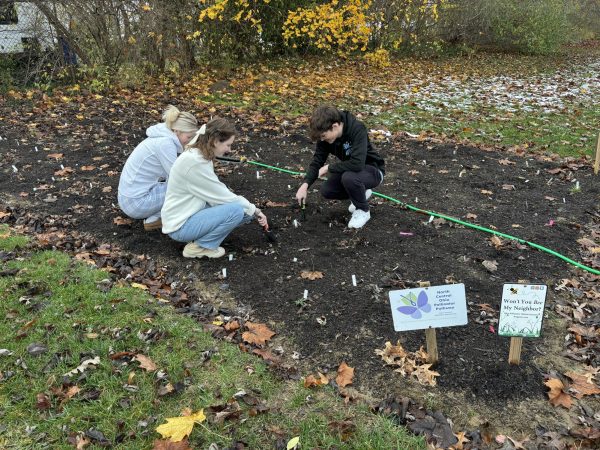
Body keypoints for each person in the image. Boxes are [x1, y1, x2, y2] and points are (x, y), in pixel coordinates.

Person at [161, 118, 269, 259]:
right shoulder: (195, 163)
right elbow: (223, 196)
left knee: (246, 211)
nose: (229, 150)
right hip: (180, 226)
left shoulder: (200, 155)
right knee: (237, 210)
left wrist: (252, 210)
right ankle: (199, 248)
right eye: (228, 145)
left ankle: (201, 237)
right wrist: (257, 210)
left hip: (190, 214)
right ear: (216, 141)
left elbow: (218, 195)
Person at [295, 105, 385, 229]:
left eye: (323, 136)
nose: (322, 140)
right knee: (328, 190)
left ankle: (363, 211)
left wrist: (328, 168)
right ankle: (361, 192)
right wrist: (305, 185)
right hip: (351, 171)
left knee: (349, 178)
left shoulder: (357, 129)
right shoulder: (325, 137)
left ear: (335, 126)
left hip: (373, 170)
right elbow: (317, 161)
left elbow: (357, 164)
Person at [118, 105, 198, 231]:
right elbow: (177, 176)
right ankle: (156, 219)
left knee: (185, 184)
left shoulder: (162, 138)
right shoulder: (165, 144)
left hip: (129, 198)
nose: (189, 141)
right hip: (136, 203)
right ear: (177, 131)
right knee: (191, 189)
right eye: (188, 137)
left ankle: (158, 216)